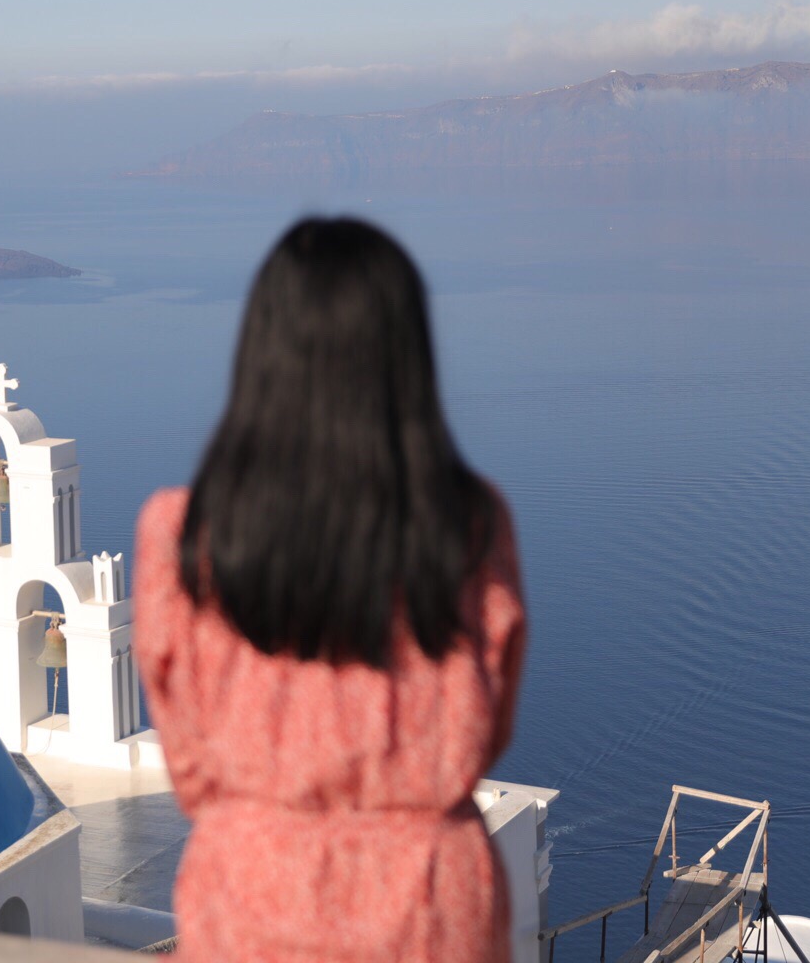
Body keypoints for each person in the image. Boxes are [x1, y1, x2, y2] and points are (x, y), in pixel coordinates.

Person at [136, 217, 527, 963]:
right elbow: (493, 722)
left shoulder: (180, 535)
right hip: (429, 897)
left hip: (249, 885)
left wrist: (261, 811)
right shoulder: (472, 528)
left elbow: (182, 744)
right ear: (406, 357)